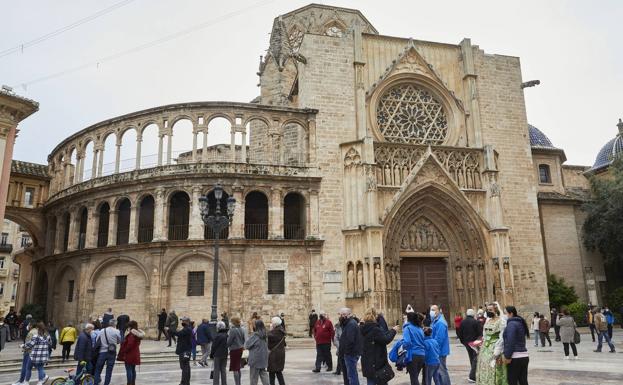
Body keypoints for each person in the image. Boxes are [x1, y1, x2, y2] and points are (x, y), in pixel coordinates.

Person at [360, 308, 397, 385]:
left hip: (366, 361)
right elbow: (386, 339)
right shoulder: (375, 329)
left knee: (370, 381)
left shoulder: (362, 328)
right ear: (374, 316)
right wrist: (393, 331)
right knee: (382, 381)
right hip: (377, 361)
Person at [476, 303, 507, 385]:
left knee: (493, 366)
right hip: (485, 347)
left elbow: (502, 336)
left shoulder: (501, 321)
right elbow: (484, 334)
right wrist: (481, 343)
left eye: (490, 310)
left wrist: (497, 350)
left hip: (495, 346)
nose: (488, 311)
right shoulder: (488, 320)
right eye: (487, 310)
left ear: (495, 310)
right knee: (484, 366)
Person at [502, 306, 530, 385]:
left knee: (512, 381)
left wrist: (507, 356)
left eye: (505, 313)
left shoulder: (511, 324)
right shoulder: (519, 323)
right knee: (523, 381)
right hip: (524, 356)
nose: (504, 315)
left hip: (515, 358)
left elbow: (510, 341)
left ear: (511, 314)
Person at [338, 307, 362, 385]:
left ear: (349, 314)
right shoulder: (346, 323)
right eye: (340, 314)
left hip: (350, 354)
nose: (342, 316)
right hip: (347, 353)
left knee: (352, 375)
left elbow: (350, 341)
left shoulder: (351, 324)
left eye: (344, 314)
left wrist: (346, 353)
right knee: (348, 375)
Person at [401, 310, 426, 385]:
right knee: (415, 377)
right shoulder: (419, 328)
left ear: (408, 319)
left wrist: (401, 346)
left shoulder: (407, 328)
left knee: (414, 378)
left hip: (413, 355)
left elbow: (407, 342)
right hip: (422, 355)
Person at [457, 309, 482, 383]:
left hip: (467, 343)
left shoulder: (462, 322)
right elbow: (480, 333)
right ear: (473, 314)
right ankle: (474, 374)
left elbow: (459, 333)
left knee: (471, 357)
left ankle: (473, 372)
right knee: (476, 358)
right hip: (474, 343)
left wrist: (463, 342)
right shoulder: (475, 322)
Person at [94, 319, 122, 385]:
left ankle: (96, 383)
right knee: (109, 370)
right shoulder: (117, 331)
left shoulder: (102, 330)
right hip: (112, 352)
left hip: (102, 352)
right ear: (115, 324)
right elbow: (119, 341)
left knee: (98, 369)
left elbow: (97, 339)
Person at [117, 320, 145, 385]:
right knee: (133, 369)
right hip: (135, 353)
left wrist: (124, 350)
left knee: (129, 370)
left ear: (130, 327)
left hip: (130, 354)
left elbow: (129, 345)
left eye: (128, 327)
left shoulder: (131, 335)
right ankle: (133, 383)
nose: (128, 328)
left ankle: (129, 383)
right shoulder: (137, 335)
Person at [430, 305, 451, 385]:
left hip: (439, 351)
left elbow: (439, 339)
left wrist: (434, 350)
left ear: (439, 310)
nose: (432, 311)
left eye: (434, 310)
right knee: (438, 371)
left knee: (442, 371)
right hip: (437, 350)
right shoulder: (435, 321)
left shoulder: (440, 323)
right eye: (431, 310)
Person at [245, 319, 269, 385]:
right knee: (263, 374)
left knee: (253, 377)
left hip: (255, 359)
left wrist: (250, 333)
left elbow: (246, 345)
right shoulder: (265, 335)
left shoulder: (255, 335)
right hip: (263, 358)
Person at [173, 316, 193, 385]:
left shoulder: (187, 329)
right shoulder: (186, 328)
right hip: (184, 350)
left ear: (187, 322)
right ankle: (185, 382)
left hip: (185, 351)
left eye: (183, 321)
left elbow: (179, 334)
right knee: (185, 367)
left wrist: (171, 330)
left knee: (185, 367)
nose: (182, 322)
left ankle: (185, 382)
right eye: (182, 321)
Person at [268, 316, 287, 385]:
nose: (271, 323)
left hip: (274, 354)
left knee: (272, 372)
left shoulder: (275, 332)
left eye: (272, 322)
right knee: (278, 372)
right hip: (279, 353)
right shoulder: (281, 330)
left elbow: (269, 340)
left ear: (275, 323)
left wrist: (270, 330)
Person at [227, 317, 246, 385]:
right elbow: (244, 339)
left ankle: (237, 383)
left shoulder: (232, 330)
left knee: (235, 368)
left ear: (233, 322)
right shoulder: (242, 329)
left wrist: (227, 345)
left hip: (234, 350)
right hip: (240, 349)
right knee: (238, 367)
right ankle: (239, 383)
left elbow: (229, 341)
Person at [210, 321, 229, 385]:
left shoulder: (217, 336)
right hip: (225, 354)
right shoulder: (227, 335)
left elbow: (214, 346)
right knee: (223, 370)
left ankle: (216, 383)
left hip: (217, 355)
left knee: (216, 370)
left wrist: (211, 354)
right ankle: (224, 383)